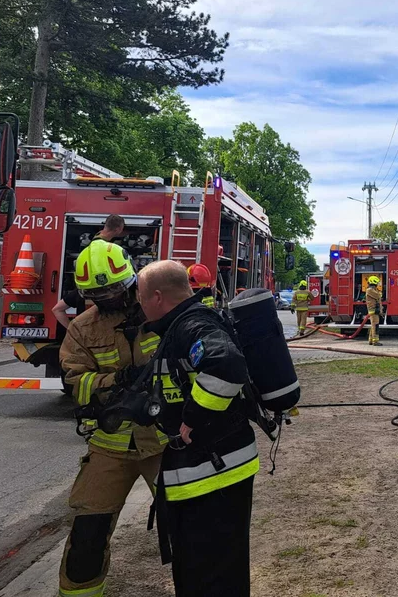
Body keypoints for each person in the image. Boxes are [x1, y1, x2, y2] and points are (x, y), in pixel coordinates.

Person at [138, 260, 259, 597]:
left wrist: (192, 418)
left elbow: (226, 365)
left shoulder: (190, 325)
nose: (139, 304)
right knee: (212, 572)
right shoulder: (179, 325)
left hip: (212, 474)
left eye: (141, 296)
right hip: (208, 471)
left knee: (210, 576)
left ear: (158, 297)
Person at [58, 240, 166, 597]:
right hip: (110, 445)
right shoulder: (83, 329)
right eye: (96, 294)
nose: (106, 300)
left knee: (189, 527)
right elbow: (76, 382)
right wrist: (116, 383)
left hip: (164, 441)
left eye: (114, 291)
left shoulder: (161, 312)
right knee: (87, 534)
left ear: (131, 279)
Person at [365, 275, 382, 345]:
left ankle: (371, 340)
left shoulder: (372, 290)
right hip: (373, 310)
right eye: (377, 283)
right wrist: (379, 294)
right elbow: (378, 295)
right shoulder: (370, 290)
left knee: (373, 325)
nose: (377, 285)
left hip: (375, 310)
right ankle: (375, 341)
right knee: (375, 325)